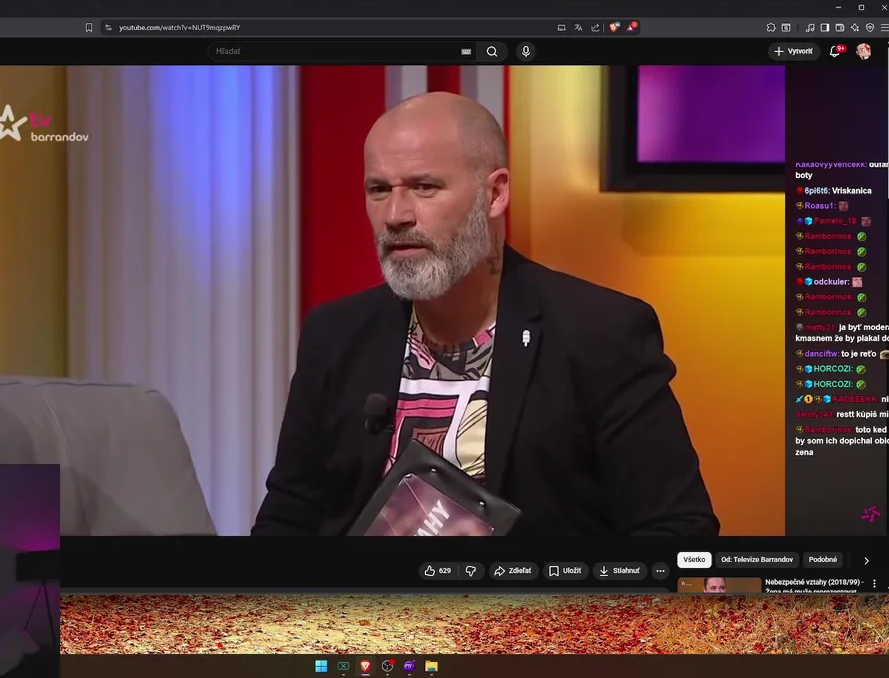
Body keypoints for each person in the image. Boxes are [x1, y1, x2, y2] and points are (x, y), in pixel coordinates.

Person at [252, 91, 719, 537]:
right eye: (378, 189)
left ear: (494, 194)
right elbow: (289, 520)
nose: (395, 214)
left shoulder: (599, 335)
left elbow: (678, 531)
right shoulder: (336, 336)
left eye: (424, 187)